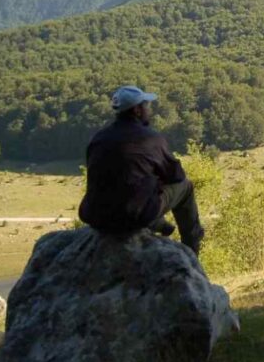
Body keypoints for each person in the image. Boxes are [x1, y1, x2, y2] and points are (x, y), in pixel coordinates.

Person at [78, 85, 205, 255]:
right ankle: (192, 249)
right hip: (133, 217)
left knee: (140, 187)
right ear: (137, 110)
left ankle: (158, 223)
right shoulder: (150, 139)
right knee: (185, 187)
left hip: (96, 217)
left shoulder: (98, 138)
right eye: (146, 105)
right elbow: (176, 176)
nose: (148, 109)